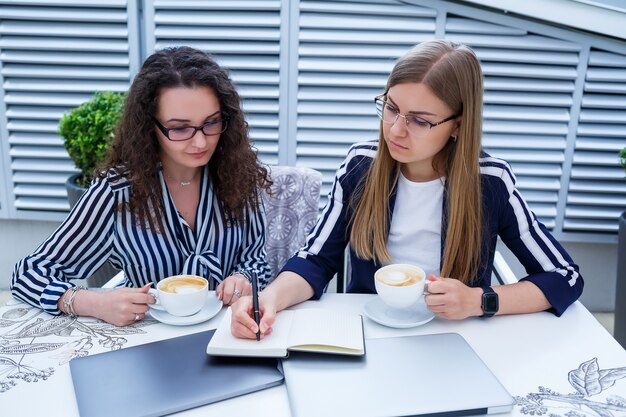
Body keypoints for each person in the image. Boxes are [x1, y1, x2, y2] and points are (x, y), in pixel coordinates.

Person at [231, 39, 584, 339]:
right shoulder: (361, 167)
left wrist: (480, 300)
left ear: (457, 126)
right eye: (391, 108)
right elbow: (316, 260)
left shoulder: (490, 181)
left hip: (455, 338)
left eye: (419, 120)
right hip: (368, 335)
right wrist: (269, 300)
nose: (396, 130)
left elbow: (564, 277)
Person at [11, 46, 272, 326]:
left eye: (211, 123)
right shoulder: (116, 192)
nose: (200, 142)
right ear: (150, 126)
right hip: (145, 340)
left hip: (228, 334)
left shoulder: (238, 175)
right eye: (180, 128)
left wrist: (244, 279)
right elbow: (29, 274)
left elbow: (256, 260)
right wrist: (95, 302)